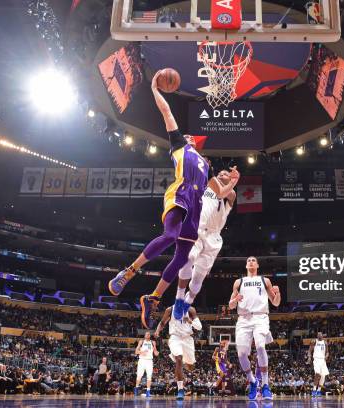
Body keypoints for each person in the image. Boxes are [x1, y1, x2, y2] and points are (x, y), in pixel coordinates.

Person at [108, 70, 234, 329]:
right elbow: (167, 113)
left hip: (197, 206)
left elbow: (220, 193)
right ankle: (129, 271)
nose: (189, 137)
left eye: (191, 137)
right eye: (187, 135)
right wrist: (155, 90)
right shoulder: (180, 146)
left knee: (182, 257)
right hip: (180, 194)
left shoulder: (205, 163)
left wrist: (232, 182)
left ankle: (152, 298)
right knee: (168, 236)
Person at [173, 168, 239, 320]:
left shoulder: (231, 194)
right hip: (198, 230)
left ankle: (188, 302)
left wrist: (233, 182)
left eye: (225, 174)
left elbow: (229, 193)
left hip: (214, 238)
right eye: (220, 174)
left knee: (198, 278)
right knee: (187, 258)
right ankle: (179, 297)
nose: (222, 175)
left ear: (230, 180)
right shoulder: (206, 187)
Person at [228, 256, 281, 401]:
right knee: (241, 354)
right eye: (248, 260)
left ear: (257, 265)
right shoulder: (239, 282)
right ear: (246, 265)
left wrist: (278, 293)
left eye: (253, 260)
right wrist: (235, 300)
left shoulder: (265, 280)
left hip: (260, 317)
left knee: (260, 347)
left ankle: (265, 385)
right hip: (244, 319)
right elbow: (230, 306)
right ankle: (252, 381)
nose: (251, 262)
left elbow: (275, 303)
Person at [154, 305, 202, 400]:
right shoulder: (170, 309)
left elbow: (199, 327)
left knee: (191, 367)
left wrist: (189, 321)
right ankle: (180, 389)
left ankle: (183, 364)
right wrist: (157, 331)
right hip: (175, 337)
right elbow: (162, 322)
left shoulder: (191, 309)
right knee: (178, 358)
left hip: (187, 338)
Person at [135, 331, 159, 397]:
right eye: (146, 334)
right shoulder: (141, 341)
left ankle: (148, 391)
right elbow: (136, 351)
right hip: (142, 360)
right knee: (139, 376)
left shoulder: (153, 342)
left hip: (149, 361)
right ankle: (136, 388)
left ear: (150, 336)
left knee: (149, 376)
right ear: (145, 335)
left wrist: (157, 352)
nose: (147, 335)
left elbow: (155, 353)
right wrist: (142, 352)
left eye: (148, 334)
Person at [307, 332, 330, 398]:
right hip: (316, 359)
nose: (319, 335)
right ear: (317, 336)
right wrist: (309, 357)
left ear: (322, 335)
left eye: (320, 334)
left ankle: (319, 391)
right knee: (317, 374)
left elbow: (327, 352)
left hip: (323, 360)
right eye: (318, 334)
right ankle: (314, 390)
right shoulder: (314, 341)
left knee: (323, 376)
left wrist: (326, 356)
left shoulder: (325, 343)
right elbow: (309, 350)